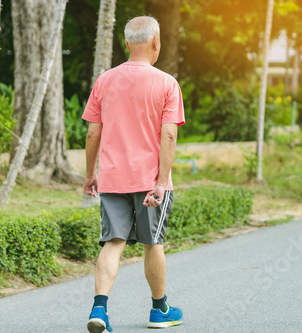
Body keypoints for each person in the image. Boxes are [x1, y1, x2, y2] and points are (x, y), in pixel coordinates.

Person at [82, 16, 185, 332]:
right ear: (156, 42)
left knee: (112, 242)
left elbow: (92, 134)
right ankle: (159, 310)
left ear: (126, 44)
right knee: (153, 243)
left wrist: (90, 175)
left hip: (112, 178)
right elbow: (168, 136)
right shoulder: (166, 83)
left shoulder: (105, 80)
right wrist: (160, 182)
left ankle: (100, 310)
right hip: (149, 181)